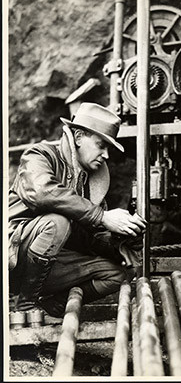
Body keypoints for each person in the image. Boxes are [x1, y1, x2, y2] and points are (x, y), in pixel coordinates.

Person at [9, 102, 147, 321]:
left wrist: (121, 237)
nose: (106, 155)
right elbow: (42, 192)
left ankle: (50, 309)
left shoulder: (90, 185)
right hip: (13, 257)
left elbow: (89, 242)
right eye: (101, 145)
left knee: (118, 274)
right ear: (79, 136)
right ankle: (24, 306)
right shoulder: (40, 155)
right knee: (57, 222)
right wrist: (101, 217)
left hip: (46, 265)